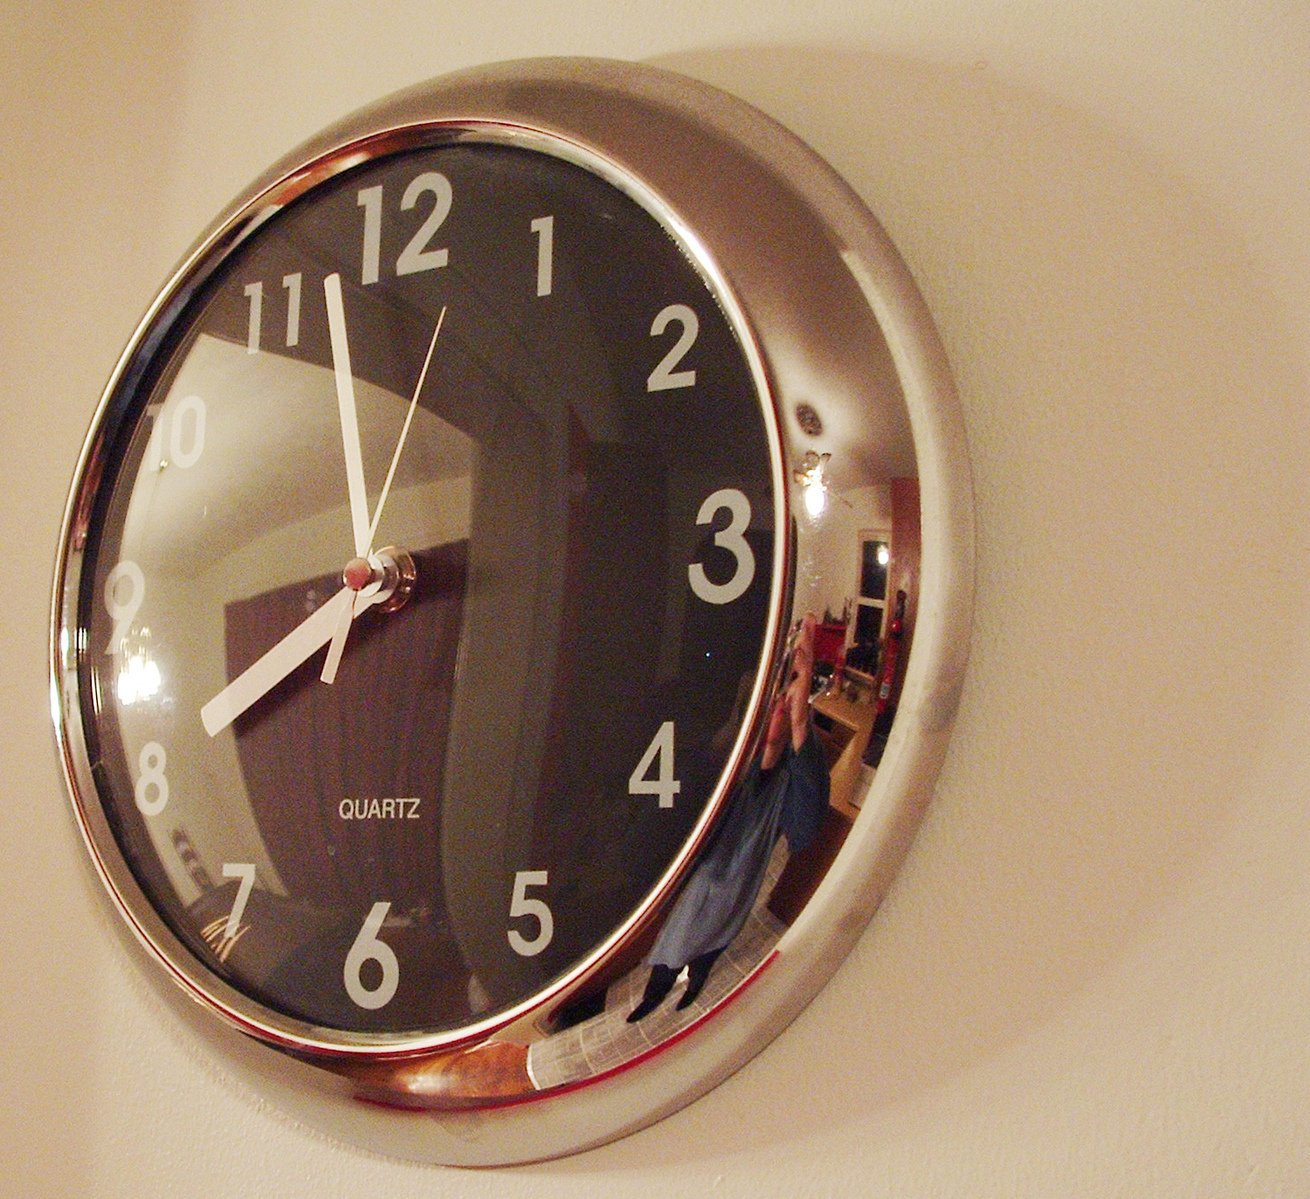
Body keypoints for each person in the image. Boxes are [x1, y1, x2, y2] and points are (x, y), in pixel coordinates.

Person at [628, 613, 829, 1021]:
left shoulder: (797, 769)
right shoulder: (734, 741)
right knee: (678, 938)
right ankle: (657, 993)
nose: (783, 702)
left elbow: (804, 823)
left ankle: (696, 981)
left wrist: (796, 721)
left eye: (793, 689)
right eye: (778, 692)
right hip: (710, 868)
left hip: (741, 875)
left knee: (714, 941)